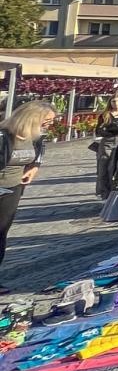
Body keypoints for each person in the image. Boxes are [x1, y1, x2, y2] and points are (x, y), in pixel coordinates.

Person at [0, 101, 57, 291]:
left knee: (1, 234)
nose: (49, 124)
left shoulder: (35, 136)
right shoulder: (4, 134)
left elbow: (39, 152)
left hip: (13, 188)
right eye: (46, 120)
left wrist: (34, 167)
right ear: (31, 117)